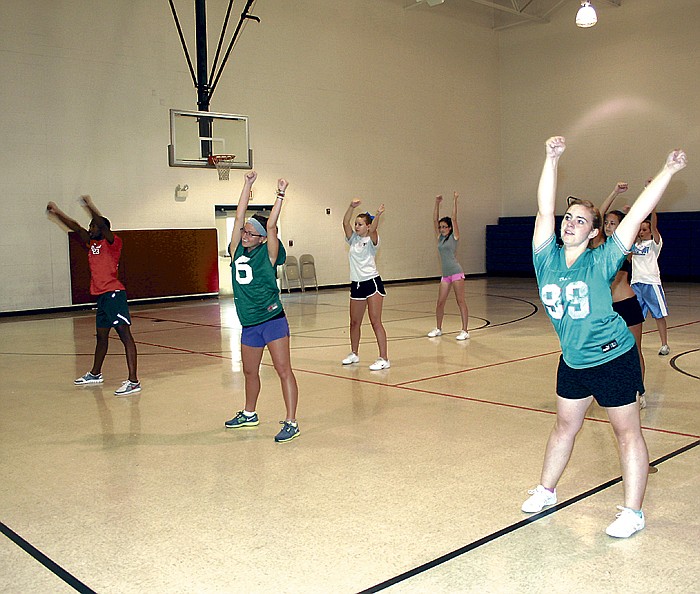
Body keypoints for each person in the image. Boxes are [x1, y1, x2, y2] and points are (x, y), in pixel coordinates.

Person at [521, 136, 687, 538]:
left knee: (626, 432)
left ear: (594, 231)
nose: (570, 222)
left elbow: (639, 212)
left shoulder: (604, 258)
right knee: (564, 426)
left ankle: (633, 512)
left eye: (581, 220)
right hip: (574, 360)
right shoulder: (545, 257)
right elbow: (545, 207)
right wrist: (551, 158)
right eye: (569, 218)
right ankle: (546, 490)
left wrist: (667, 170)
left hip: (614, 357)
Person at [223, 171, 300, 443]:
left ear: (261, 238)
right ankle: (249, 413)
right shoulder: (236, 249)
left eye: (251, 233)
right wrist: (247, 184)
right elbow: (239, 213)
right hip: (249, 325)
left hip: (272, 320)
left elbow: (271, 226)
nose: (245, 234)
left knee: (283, 370)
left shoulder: (269, 253)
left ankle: (291, 421)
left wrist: (279, 194)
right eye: (244, 231)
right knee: (249, 372)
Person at [46, 196, 140, 396]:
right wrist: (57, 212)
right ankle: (95, 374)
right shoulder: (91, 244)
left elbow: (100, 223)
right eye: (90, 227)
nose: (90, 229)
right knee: (101, 337)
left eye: (93, 226)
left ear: (102, 229)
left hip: (114, 294)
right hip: (102, 297)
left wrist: (89, 207)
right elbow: (75, 226)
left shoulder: (113, 243)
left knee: (125, 336)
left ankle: (133, 381)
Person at [599, 184, 647, 408]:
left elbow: (635, 221)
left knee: (634, 350)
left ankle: (639, 391)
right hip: (606, 310)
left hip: (626, 305)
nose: (608, 227)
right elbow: (596, 217)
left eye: (613, 223)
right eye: (607, 223)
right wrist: (614, 193)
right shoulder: (598, 245)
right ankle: (606, 389)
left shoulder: (623, 246)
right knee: (606, 350)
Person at [341, 199, 389, 370]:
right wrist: (351, 207)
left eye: (360, 224)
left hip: (372, 283)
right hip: (357, 285)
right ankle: (354, 353)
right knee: (354, 322)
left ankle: (384, 358)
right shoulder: (353, 240)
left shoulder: (372, 240)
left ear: (367, 226)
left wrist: (378, 214)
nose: (356, 226)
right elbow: (345, 222)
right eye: (356, 223)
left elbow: (374, 228)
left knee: (375, 321)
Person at [427, 192, 470, 340]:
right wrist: (437, 203)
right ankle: (438, 328)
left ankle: (465, 330)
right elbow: (433, 219)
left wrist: (455, 200)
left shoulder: (455, 236)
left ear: (450, 228)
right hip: (445, 275)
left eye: (445, 227)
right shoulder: (440, 239)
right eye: (440, 227)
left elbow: (454, 218)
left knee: (460, 301)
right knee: (440, 302)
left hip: (456, 273)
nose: (442, 229)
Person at [631, 206, 670, 356]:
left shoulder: (654, 245)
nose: (641, 232)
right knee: (635, 317)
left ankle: (664, 344)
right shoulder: (635, 244)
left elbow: (654, 225)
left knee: (658, 315)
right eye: (640, 229)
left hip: (651, 283)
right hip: (636, 283)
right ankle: (634, 344)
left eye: (644, 229)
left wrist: (652, 209)